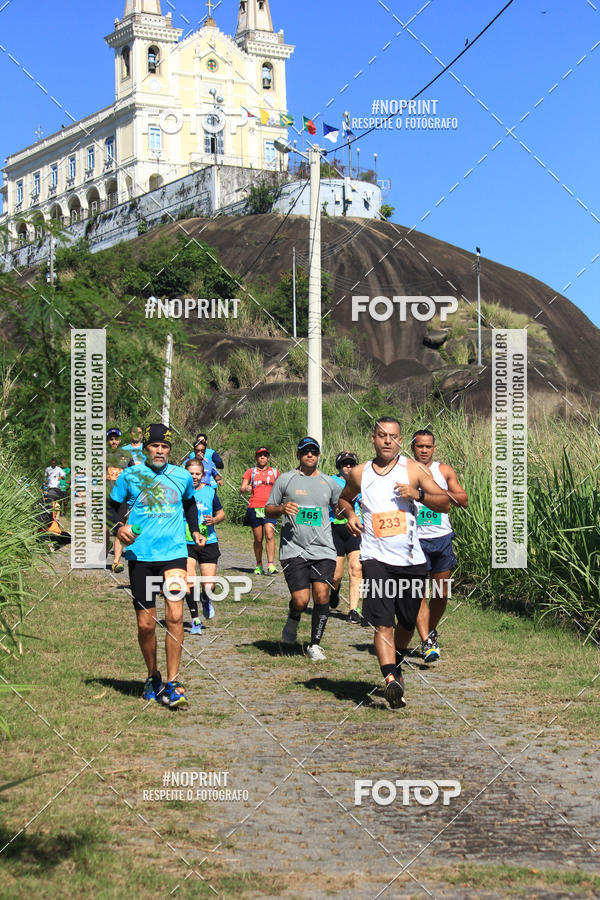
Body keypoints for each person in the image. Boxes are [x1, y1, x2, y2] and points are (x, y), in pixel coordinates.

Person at [339, 417, 450, 709]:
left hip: (411, 560)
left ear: (400, 441)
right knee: (383, 623)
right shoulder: (360, 473)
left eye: (393, 436)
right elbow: (344, 500)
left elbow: (445, 502)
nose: (387, 440)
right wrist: (350, 514)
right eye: (382, 435)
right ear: (373, 439)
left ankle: (396, 664)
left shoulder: (413, 469)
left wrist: (418, 494)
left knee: (407, 622)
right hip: (375, 558)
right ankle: (390, 679)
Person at [108, 424, 206, 709]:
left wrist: (194, 530)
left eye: (165, 446)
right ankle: (153, 676)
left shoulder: (181, 476)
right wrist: (118, 527)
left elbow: (189, 504)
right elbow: (111, 507)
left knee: (175, 615)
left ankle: (173, 682)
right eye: (155, 446)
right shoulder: (130, 475)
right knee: (146, 624)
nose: (160, 451)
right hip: (141, 556)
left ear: (169, 450)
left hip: (173, 554)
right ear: (145, 448)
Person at [265, 437, 343, 661]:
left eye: (314, 452)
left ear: (319, 456)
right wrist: (281, 508)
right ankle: (294, 616)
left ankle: (314, 645)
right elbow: (268, 509)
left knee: (322, 595)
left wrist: (347, 512)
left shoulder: (329, 483)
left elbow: (341, 507)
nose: (310, 455)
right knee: (301, 599)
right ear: (298, 455)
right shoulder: (285, 480)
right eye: (306, 451)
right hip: (294, 549)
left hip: (323, 549)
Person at [411, 429, 469, 661]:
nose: (424, 450)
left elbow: (463, 500)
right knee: (418, 593)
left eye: (428, 446)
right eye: (420, 446)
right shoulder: (405, 470)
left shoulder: (444, 470)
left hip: (441, 538)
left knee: (441, 592)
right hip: (415, 539)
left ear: (434, 448)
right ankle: (427, 640)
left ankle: (431, 630)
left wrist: (433, 492)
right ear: (413, 447)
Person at [183, 458, 226, 634]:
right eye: (191, 473)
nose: (194, 476)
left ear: (202, 475)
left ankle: (205, 599)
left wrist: (214, 520)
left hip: (209, 541)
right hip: (186, 542)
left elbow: (221, 513)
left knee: (209, 586)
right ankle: (195, 620)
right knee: (189, 580)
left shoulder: (209, 492)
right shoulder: (180, 492)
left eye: (197, 473)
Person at [329, 451, 363, 624]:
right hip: (335, 527)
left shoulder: (361, 482)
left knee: (356, 568)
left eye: (351, 464)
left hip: (354, 528)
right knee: (336, 575)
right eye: (345, 464)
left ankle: (353, 609)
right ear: (339, 466)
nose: (348, 467)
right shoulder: (330, 481)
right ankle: (334, 590)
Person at [240, 447, 280, 575]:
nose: (262, 457)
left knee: (269, 534)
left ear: (268, 458)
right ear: (256, 458)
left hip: (270, 507)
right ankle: (258, 564)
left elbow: (281, 488)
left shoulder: (274, 472)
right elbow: (242, 488)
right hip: (255, 507)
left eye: (265, 455)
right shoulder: (250, 471)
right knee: (258, 538)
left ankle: (271, 564)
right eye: (260, 455)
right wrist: (246, 488)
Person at [106, 428, 131, 573]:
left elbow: (134, 474)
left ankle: (116, 562)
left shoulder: (126, 456)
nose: (114, 441)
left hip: (122, 498)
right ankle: (106, 548)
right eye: (111, 439)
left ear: (120, 440)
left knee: (119, 528)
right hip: (106, 496)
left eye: (116, 439)